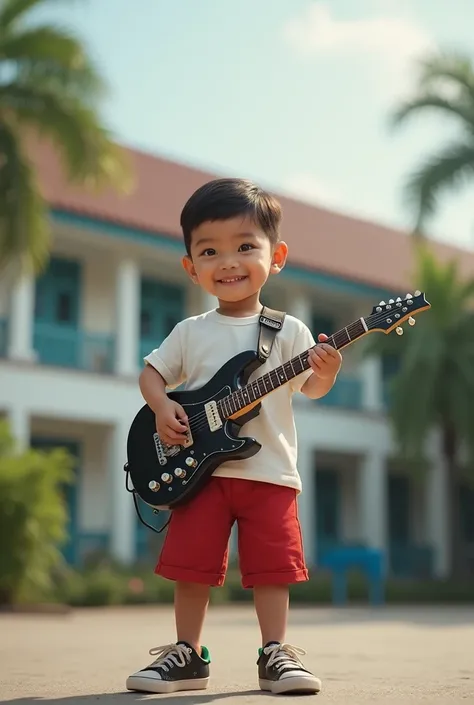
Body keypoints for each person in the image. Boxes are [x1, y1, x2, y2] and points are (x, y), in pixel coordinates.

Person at [126, 178, 342, 696]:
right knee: (191, 567)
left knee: (273, 568)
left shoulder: (288, 330)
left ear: (278, 255)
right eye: (209, 251)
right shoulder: (190, 331)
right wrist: (162, 409)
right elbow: (152, 375)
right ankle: (186, 655)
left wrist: (328, 370)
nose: (228, 262)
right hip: (202, 473)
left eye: (246, 246)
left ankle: (275, 654)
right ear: (191, 267)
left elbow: (310, 387)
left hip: (270, 470)